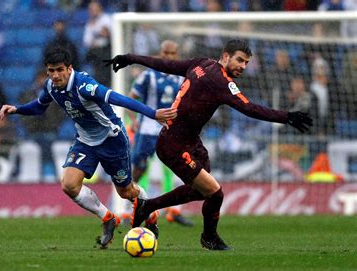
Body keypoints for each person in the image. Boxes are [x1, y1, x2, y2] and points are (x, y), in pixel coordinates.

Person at [104, 39, 313, 250]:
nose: (243, 66)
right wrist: (287, 117)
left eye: (247, 63)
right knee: (216, 192)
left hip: (191, 142)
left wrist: (130, 58)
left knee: (202, 192)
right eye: (239, 60)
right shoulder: (222, 82)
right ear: (225, 56)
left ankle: (147, 206)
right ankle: (209, 238)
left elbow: (165, 65)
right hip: (174, 146)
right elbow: (250, 108)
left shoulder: (201, 63)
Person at [0, 47, 177, 248]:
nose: (55, 75)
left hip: (112, 140)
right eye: (51, 71)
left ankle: (150, 212)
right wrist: (17, 109)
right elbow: (40, 106)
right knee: (69, 184)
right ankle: (108, 217)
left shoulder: (84, 85)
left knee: (126, 192)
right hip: (85, 141)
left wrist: (153, 114)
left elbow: (118, 98)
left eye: (59, 70)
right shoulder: (51, 86)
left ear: (69, 68)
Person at [125, 40, 194, 227]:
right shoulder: (147, 76)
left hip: (171, 130)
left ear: (177, 55)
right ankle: (129, 209)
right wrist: (133, 121)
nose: (169, 57)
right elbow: (130, 99)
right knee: (139, 168)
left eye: (173, 54)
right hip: (147, 128)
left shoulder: (183, 78)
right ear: (160, 54)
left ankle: (174, 211)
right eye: (166, 53)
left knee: (180, 168)